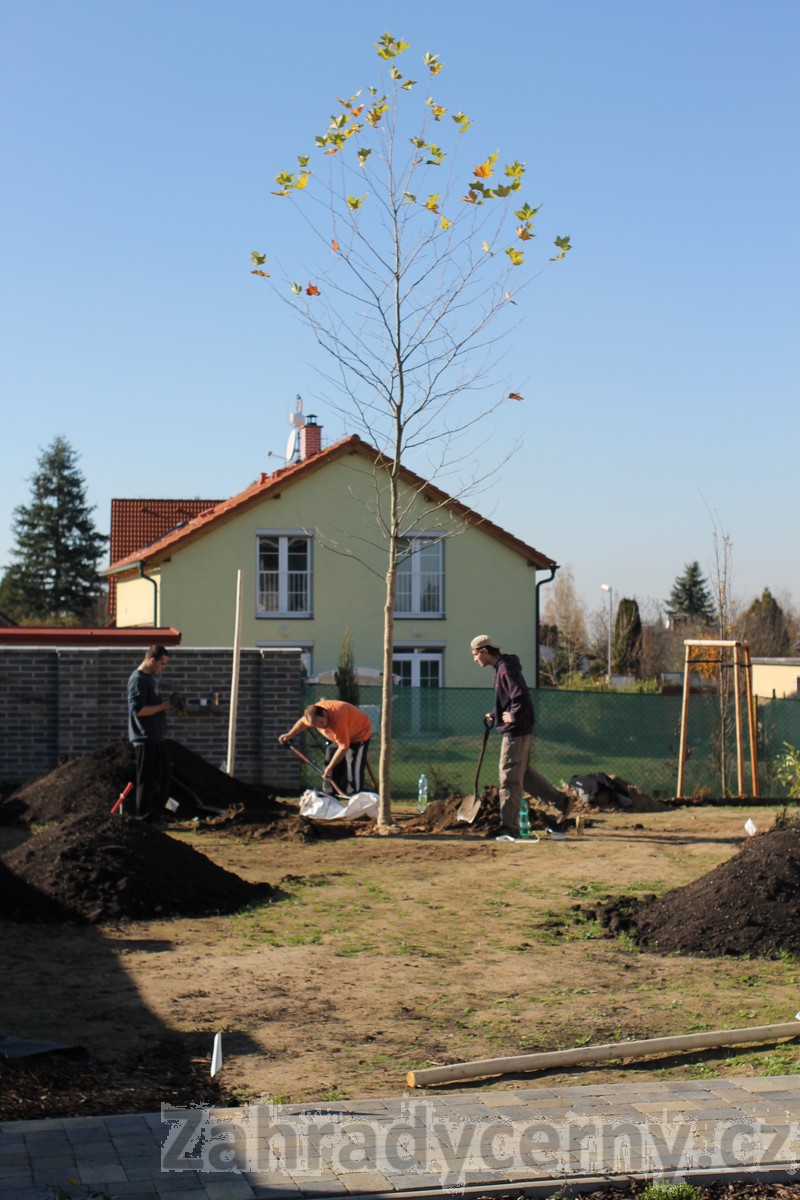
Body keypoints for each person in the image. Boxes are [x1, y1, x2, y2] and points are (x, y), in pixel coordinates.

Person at [470, 634, 570, 838]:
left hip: (516, 731)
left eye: (475, 655)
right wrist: (495, 714)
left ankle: (509, 827)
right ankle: (562, 801)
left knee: (508, 778)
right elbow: (509, 700)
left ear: (484, 651)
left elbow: (520, 697)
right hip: (522, 729)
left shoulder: (505, 669)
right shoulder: (503, 667)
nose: (475, 659)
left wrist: (512, 716)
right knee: (523, 773)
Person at [279, 699, 372, 795]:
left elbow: (344, 747)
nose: (321, 726)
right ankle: (330, 795)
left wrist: (330, 767)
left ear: (325, 713)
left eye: (321, 722)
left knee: (353, 765)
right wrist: (289, 735)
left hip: (359, 735)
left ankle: (355, 796)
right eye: (316, 725)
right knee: (330, 759)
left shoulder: (338, 718)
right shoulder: (312, 715)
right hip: (339, 737)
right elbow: (303, 722)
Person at [127, 644, 175, 823]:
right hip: (144, 738)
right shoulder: (138, 680)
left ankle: (154, 814)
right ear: (152, 660)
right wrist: (162, 707)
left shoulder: (149, 679)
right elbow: (138, 710)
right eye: (162, 664)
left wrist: (166, 705)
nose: (163, 668)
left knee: (163, 777)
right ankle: (144, 817)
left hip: (156, 737)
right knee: (146, 780)